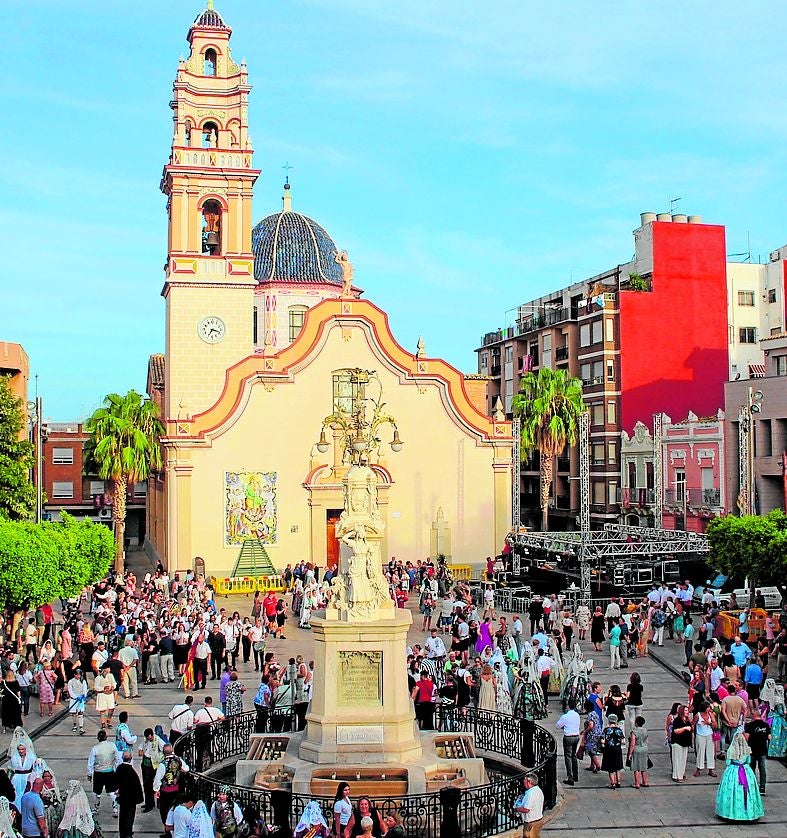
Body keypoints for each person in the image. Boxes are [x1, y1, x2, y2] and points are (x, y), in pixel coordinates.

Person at [715, 732, 764, 822]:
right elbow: (748, 761)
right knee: (748, 791)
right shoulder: (747, 749)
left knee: (731, 790)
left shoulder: (731, 750)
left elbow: (728, 763)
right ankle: (748, 812)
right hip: (746, 771)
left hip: (733, 771)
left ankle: (731, 812)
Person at [153, 745, 190, 827]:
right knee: (174, 808)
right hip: (176, 789)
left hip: (165, 791)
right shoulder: (178, 760)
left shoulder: (162, 764)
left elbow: (158, 778)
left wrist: (156, 789)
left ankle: (167, 829)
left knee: (165, 810)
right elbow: (187, 768)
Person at [86, 729, 119, 816]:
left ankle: (96, 808)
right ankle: (115, 808)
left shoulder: (95, 749)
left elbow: (90, 763)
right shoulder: (112, 745)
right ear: (106, 737)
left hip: (98, 773)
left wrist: (89, 774)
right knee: (112, 791)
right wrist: (116, 769)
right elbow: (118, 758)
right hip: (110, 772)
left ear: (98, 738)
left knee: (96, 792)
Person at [114, 750, 143, 838]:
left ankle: (122, 833)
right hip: (131, 799)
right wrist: (139, 798)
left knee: (122, 816)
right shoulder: (132, 772)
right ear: (131, 759)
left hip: (122, 797)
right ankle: (128, 833)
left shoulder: (119, 768)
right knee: (130, 817)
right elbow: (137, 786)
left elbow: (115, 782)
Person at [743, 706, 770, 795]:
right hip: (762, 749)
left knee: (752, 768)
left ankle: (752, 785)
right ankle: (762, 787)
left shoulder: (750, 725)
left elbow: (746, 737)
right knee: (762, 768)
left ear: (753, 715)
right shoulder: (766, 725)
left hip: (752, 749)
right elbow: (769, 737)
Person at [138, 727, 166, 812]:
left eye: (150, 738)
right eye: (148, 738)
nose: (149, 739)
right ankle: (148, 803)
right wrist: (140, 751)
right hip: (146, 764)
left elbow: (165, 749)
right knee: (146, 785)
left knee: (154, 784)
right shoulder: (145, 740)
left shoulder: (158, 741)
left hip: (155, 765)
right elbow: (140, 747)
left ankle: (153, 804)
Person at [555, 700, 580, 786]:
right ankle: (576, 775)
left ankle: (570, 776)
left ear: (568, 706)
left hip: (568, 737)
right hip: (576, 736)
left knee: (568, 757)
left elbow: (558, 726)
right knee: (574, 755)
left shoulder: (565, 716)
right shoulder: (577, 715)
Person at [10, 729, 37, 802]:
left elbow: (35, 768)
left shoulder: (31, 757)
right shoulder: (14, 757)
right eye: (19, 749)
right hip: (17, 779)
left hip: (28, 777)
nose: (21, 751)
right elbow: (11, 769)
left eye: (22, 749)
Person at [514, 772, 544, 838]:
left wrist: (516, 809)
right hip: (538, 820)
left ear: (529, 781)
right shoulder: (538, 790)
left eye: (524, 780)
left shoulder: (531, 794)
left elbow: (526, 809)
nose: (523, 781)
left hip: (531, 823)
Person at [692, 701, 718, 778]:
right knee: (700, 751)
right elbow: (693, 724)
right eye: (708, 708)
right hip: (700, 735)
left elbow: (715, 725)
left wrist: (709, 723)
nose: (709, 709)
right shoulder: (698, 715)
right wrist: (693, 734)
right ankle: (699, 768)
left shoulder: (711, 714)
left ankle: (711, 769)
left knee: (710, 752)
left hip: (709, 735)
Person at [600, 714, 625, 789]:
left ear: (609, 721)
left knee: (611, 768)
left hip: (609, 750)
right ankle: (618, 782)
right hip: (617, 750)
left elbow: (602, 741)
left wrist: (603, 747)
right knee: (618, 767)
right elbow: (623, 741)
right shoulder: (619, 730)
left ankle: (612, 783)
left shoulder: (606, 730)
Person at [669, 704, 692, 782]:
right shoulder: (677, 720)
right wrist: (685, 728)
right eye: (686, 710)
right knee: (677, 759)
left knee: (683, 759)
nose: (687, 712)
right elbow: (676, 731)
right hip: (677, 742)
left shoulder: (687, 720)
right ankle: (676, 775)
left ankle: (681, 774)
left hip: (685, 742)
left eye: (688, 710)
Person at [627, 715, 650, 788]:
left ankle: (637, 783)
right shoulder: (645, 730)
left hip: (637, 749)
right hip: (644, 748)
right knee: (644, 766)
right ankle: (645, 782)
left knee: (636, 767)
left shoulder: (634, 731)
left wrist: (630, 754)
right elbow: (647, 741)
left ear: (636, 723)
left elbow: (632, 744)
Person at [93, 664, 117, 730]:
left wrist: (113, 687)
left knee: (111, 708)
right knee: (102, 710)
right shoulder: (98, 677)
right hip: (102, 695)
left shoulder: (111, 676)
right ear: (104, 669)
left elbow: (114, 683)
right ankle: (103, 723)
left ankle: (108, 721)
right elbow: (96, 687)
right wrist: (103, 688)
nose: (109, 670)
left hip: (110, 694)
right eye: (108, 668)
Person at [67, 669, 88, 736]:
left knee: (80, 713)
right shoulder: (70, 681)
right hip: (74, 699)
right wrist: (75, 697)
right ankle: (75, 725)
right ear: (74, 675)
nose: (78, 676)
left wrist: (84, 695)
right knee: (73, 713)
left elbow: (85, 690)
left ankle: (81, 727)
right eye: (77, 674)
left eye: (79, 675)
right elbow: (70, 691)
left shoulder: (83, 681)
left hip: (80, 699)